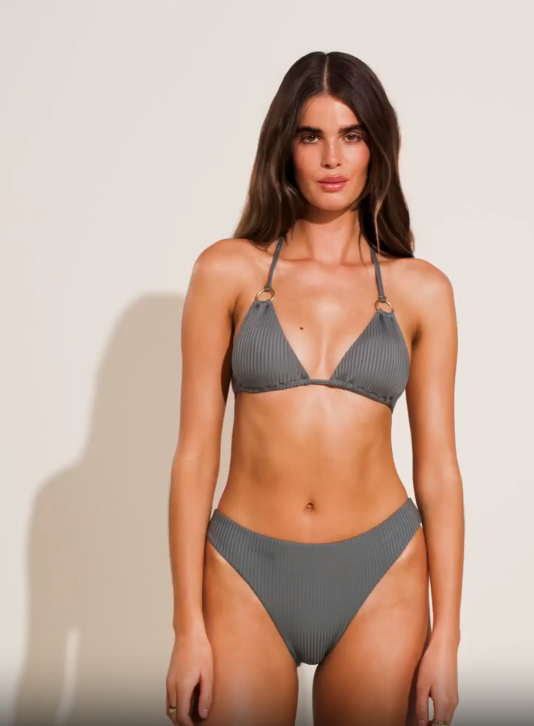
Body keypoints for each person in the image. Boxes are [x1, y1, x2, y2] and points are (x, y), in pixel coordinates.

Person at [166, 50, 464, 726]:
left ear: (376, 147)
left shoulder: (421, 290)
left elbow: (440, 470)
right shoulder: (227, 273)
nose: (332, 158)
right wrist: (187, 628)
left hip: (382, 574)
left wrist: (447, 635)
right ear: (286, 146)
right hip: (244, 570)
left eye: (351, 135)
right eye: (311, 136)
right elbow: (194, 457)